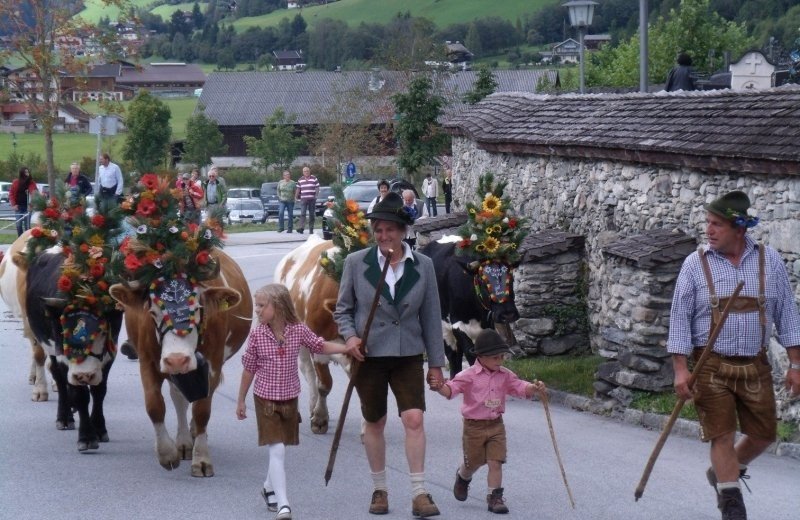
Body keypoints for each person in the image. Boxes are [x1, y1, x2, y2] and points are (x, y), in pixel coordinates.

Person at [667, 190, 800, 520]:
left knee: (763, 433)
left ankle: (724, 473)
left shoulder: (768, 261)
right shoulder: (695, 265)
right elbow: (679, 318)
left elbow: (788, 315)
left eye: (717, 224)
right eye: (708, 223)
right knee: (721, 434)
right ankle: (732, 504)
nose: (708, 230)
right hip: (710, 367)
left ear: (739, 229)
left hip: (755, 364)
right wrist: (681, 370)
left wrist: (796, 363)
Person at [333, 191, 445, 518]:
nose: (384, 236)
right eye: (378, 230)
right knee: (375, 421)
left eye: (390, 230)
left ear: (404, 231)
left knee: (414, 418)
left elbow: (431, 316)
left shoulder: (423, 266)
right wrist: (351, 337)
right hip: (368, 355)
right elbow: (343, 310)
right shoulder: (357, 263)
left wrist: (436, 364)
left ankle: (419, 493)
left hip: (408, 353)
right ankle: (379, 489)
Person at [237, 284, 363, 520]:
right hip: (264, 398)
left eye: (262, 306)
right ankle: (284, 504)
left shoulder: (298, 330)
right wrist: (241, 400)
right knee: (277, 449)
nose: (257, 310)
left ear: (279, 307)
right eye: (257, 305)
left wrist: (346, 346)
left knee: (280, 447)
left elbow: (320, 345)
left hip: (289, 398)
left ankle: (268, 487)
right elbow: (248, 369)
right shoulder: (257, 335)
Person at [428, 329, 545, 514]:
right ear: (480, 357)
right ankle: (463, 477)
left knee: (495, 461)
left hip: (496, 425)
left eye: (502, 357)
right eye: (495, 358)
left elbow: (518, 386)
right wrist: (440, 388)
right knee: (473, 462)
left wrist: (533, 388)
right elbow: (451, 390)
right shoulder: (468, 375)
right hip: (474, 426)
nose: (500, 361)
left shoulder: (505, 374)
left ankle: (495, 497)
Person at [9, 166, 38, 236]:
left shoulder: (31, 183)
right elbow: (11, 193)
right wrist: (13, 204)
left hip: (27, 208)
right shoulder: (16, 182)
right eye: (25, 172)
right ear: (21, 173)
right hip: (18, 207)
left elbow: (35, 194)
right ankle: (20, 240)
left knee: (27, 226)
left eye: (28, 172)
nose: (27, 173)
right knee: (18, 225)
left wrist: (31, 205)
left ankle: (27, 242)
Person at [294, 166, 319, 234]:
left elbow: (317, 187)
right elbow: (298, 189)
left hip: (312, 199)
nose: (306, 172)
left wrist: (316, 196)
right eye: (305, 171)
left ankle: (311, 229)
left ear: (309, 171)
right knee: (302, 213)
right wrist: (296, 197)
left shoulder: (314, 178)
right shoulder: (300, 180)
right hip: (303, 199)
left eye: (307, 171)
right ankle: (301, 228)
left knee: (311, 214)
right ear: (303, 172)